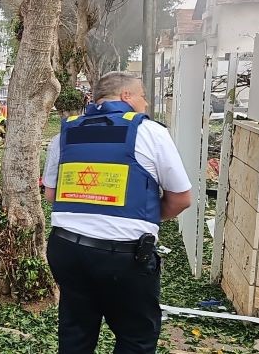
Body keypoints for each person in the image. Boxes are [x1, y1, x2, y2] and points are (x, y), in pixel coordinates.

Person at [42, 72, 192, 353]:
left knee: (75, 334)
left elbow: (51, 194)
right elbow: (182, 198)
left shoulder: (65, 133)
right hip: (124, 258)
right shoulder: (150, 133)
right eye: (143, 96)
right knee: (136, 338)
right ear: (126, 96)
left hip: (66, 251)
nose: (146, 103)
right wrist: (140, 215)